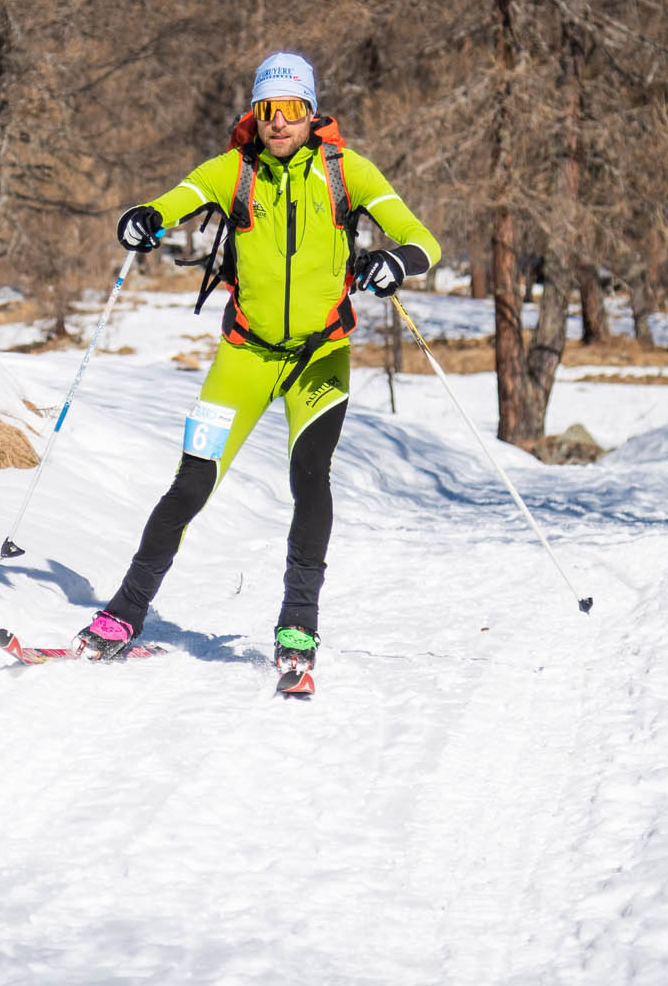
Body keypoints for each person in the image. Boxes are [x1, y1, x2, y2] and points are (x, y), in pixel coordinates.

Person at [76, 52, 440, 688]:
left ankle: (298, 625)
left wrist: (397, 261)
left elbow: (422, 239)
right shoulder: (235, 170)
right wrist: (144, 218)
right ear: (256, 112)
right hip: (244, 356)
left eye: (292, 109)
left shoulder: (346, 171)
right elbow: (174, 201)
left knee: (310, 480)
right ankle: (124, 614)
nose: (279, 122)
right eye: (268, 109)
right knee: (191, 483)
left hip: (320, 357)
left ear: (311, 112)